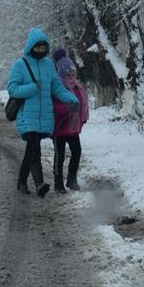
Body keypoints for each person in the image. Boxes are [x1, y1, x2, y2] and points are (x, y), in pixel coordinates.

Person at [8, 27, 78, 197]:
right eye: (37, 47)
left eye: (43, 47)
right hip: (27, 115)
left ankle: (21, 181)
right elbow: (12, 89)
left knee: (30, 150)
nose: (40, 50)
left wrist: (71, 99)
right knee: (34, 149)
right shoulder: (20, 65)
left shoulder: (48, 66)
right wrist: (32, 88)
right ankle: (39, 184)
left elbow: (57, 88)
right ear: (30, 47)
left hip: (44, 117)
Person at [51, 54, 88, 192]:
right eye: (68, 75)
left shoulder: (77, 88)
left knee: (76, 152)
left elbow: (83, 104)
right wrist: (67, 108)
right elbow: (54, 107)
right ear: (61, 75)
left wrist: (82, 117)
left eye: (73, 75)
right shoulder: (56, 88)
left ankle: (72, 180)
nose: (72, 78)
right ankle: (58, 183)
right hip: (59, 127)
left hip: (72, 127)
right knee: (59, 155)